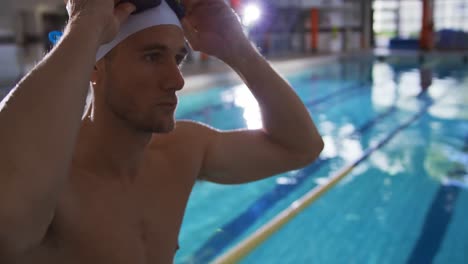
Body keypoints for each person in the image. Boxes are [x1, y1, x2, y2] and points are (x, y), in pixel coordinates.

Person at [0, 0, 324, 262]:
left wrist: (237, 47)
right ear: (95, 67)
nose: (177, 80)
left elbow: (300, 147)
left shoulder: (183, 150)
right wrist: (85, 27)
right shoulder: (49, 182)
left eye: (178, 58)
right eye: (152, 56)